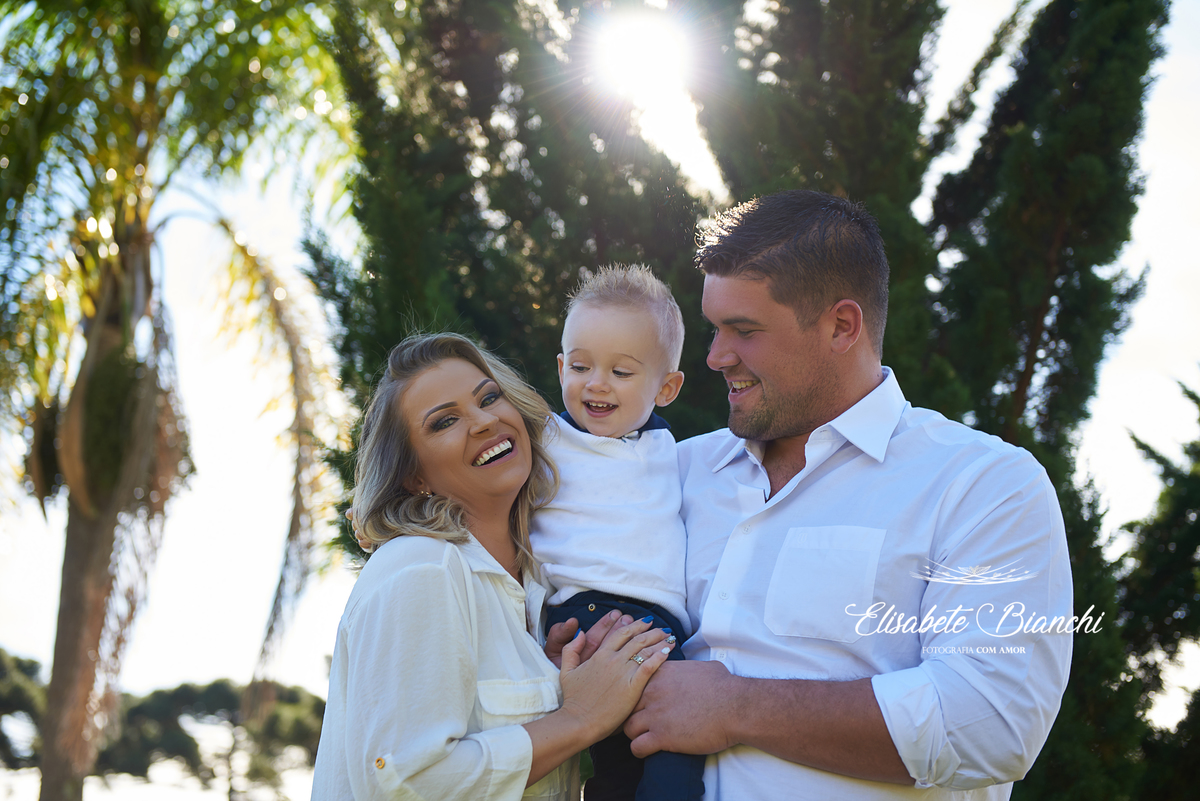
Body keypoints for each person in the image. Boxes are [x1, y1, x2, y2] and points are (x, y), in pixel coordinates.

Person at [622, 190, 1074, 800]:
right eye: (714, 328)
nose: (715, 357)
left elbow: (991, 721)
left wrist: (735, 706)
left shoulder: (984, 484)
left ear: (842, 326)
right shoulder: (670, 470)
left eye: (744, 331)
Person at [311, 333, 675, 800]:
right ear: (413, 476)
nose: (484, 421)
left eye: (488, 398)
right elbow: (405, 782)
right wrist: (579, 719)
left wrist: (552, 682)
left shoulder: (538, 592)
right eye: (444, 422)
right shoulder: (421, 567)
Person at [530, 265, 705, 801]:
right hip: (587, 615)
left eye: (622, 373)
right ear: (561, 367)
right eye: (580, 366)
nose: (597, 383)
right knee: (675, 750)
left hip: (655, 628)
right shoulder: (546, 440)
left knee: (626, 767)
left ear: (668, 387)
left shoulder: (671, 452)